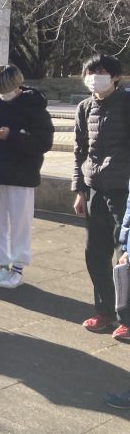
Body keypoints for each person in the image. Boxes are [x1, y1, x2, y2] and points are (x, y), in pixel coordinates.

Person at [0, 65, 54, 289]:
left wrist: (11, 136)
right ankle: (1, 265)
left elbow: (43, 142)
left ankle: (18, 268)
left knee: (20, 222)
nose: (3, 93)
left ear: (17, 84)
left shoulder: (34, 106)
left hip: (21, 173)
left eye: (6, 88)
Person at [74, 54, 130, 339]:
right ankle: (105, 310)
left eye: (103, 72)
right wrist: (80, 189)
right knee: (95, 253)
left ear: (116, 77)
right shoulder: (85, 107)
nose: (97, 76)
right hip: (95, 188)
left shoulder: (126, 103)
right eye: (92, 72)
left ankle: (127, 317)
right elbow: (80, 150)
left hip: (124, 190)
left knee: (126, 256)